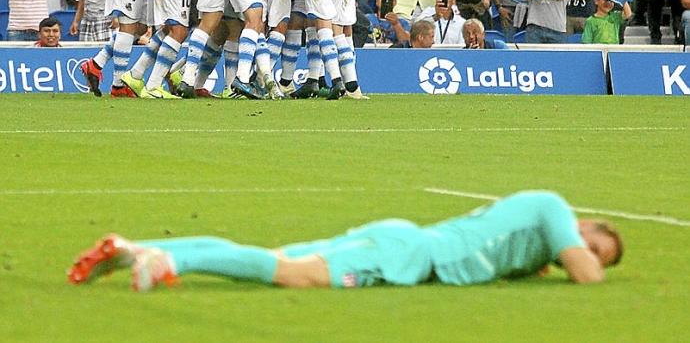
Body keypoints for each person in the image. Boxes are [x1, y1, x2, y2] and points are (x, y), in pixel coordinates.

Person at [69, 189, 623, 291]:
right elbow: (587, 274)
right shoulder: (557, 210)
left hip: (407, 243)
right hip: (409, 255)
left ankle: (132, 248)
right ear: (590, 226)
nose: (589, 253)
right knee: (292, 275)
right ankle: (167, 261)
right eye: (597, 244)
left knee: (279, 258)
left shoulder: (533, 237)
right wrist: (589, 264)